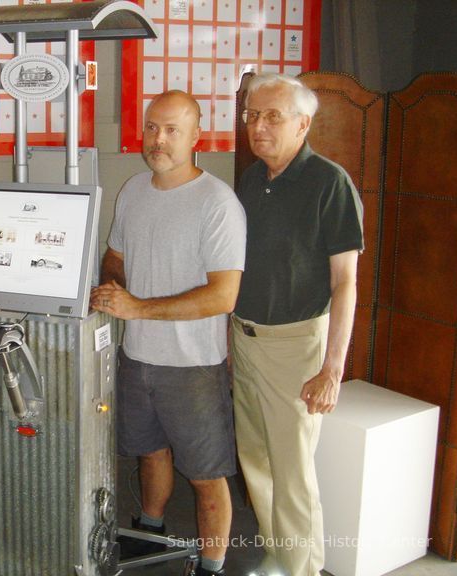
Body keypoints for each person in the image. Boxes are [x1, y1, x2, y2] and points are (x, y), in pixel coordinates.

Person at [91, 90, 246, 576]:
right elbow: (115, 253)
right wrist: (113, 285)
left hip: (193, 367)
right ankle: (150, 528)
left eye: (173, 129)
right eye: (153, 127)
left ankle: (212, 565)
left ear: (197, 136)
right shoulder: (133, 189)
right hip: (137, 357)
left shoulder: (218, 203)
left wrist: (138, 306)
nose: (159, 139)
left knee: (206, 473)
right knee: (149, 450)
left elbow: (223, 296)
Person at [231, 73, 364, 576]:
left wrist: (332, 369)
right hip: (246, 338)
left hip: (295, 346)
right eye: (252, 116)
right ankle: (280, 557)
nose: (258, 126)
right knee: (258, 460)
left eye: (272, 117)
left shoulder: (330, 183)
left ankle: (303, 567)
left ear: (303, 124)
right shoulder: (251, 178)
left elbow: (346, 283)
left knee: (292, 472)